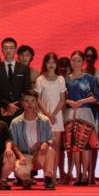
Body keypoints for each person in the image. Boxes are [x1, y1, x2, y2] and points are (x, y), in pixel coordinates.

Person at [11, 91, 58, 190]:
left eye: (33, 101)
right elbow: (13, 144)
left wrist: (46, 143)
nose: (30, 104)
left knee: (50, 150)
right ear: (22, 103)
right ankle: (24, 178)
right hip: (25, 156)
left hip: (39, 155)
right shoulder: (15, 122)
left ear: (37, 103)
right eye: (26, 101)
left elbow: (52, 139)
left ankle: (48, 178)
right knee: (22, 175)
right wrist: (20, 156)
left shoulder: (45, 120)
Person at [64, 51, 98, 186]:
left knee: (86, 145)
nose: (76, 63)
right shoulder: (65, 79)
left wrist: (81, 101)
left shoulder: (90, 78)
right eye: (73, 60)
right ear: (70, 61)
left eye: (79, 61)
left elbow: (98, 96)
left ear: (83, 62)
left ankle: (85, 175)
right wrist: (68, 102)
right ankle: (77, 175)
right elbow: (61, 98)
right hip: (70, 114)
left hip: (85, 113)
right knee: (74, 145)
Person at [34, 53, 67, 182]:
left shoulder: (61, 79)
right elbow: (38, 99)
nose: (51, 65)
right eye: (48, 62)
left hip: (57, 117)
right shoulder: (40, 79)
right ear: (45, 64)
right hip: (43, 116)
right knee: (45, 145)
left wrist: (53, 114)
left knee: (56, 146)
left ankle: (53, 175)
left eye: (53, 62)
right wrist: (47, 115)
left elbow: (62, 100)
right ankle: (46, 174)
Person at [0, 38, 32, 122]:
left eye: (11, 48)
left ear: (15, 50)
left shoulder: (24, 68)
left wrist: (16, 106)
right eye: (5, 48)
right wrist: (7, 105)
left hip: (20, 110)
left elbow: (27, 90)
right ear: (2, 50)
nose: (8, 50)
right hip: (1, 110)